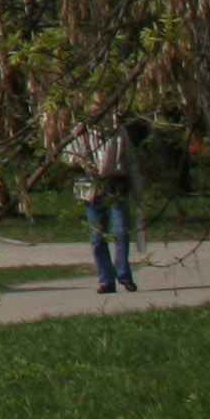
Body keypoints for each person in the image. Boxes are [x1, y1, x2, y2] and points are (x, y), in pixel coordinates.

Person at [69, 124, 138, 294]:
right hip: (90, 185)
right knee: (97, 235)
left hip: (115, 183)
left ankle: (123, 273)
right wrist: (80, 160)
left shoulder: (118, 130)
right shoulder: (80, 131)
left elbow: (129, 158)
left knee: (120, 230)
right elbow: (69, 158)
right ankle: (106, 279)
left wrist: (135, 187)